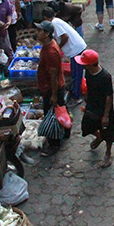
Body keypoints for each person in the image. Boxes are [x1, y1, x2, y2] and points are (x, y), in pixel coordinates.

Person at [76, 50, 114, 168]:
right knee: (87, 126)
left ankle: (108, 153)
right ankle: (99, 137)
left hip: (103, 108)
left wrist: (106, 115)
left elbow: (109, 96)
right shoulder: (88, 72)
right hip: (91, 105)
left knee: (108, 132)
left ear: (91, 64)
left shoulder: (105, 76)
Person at [35, 21, 69, 156]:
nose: (36, 33)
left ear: (47, 34)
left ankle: (54, 144)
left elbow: (53, 75)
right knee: (61, 110)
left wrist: (53, 94)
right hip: (54, 86)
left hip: (52, 88)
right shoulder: (50, 45)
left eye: (39, 31)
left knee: (52, 116)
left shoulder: (50, 51)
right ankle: (66, 132)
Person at [42, 7, 87, 106]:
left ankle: (76, 97)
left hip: (76, 49)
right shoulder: (56, 21)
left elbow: (65, 36)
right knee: (74, 72)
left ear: (45, 18)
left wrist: (59, 48)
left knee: (77, 74)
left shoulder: (54, 23)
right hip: (74, 49)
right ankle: (74, 90)